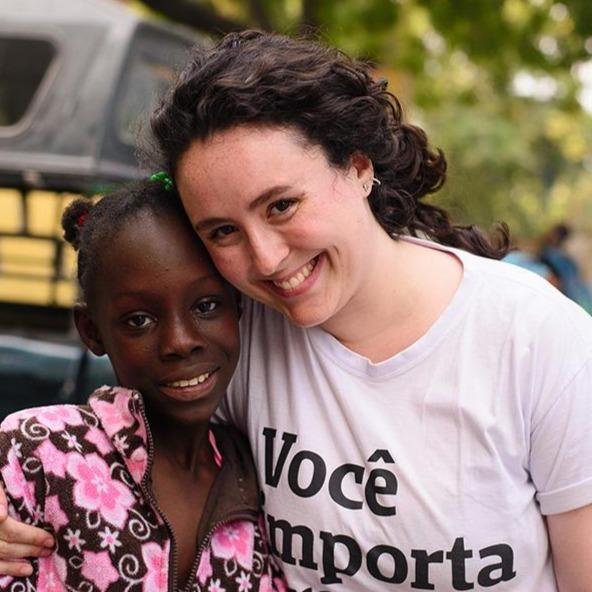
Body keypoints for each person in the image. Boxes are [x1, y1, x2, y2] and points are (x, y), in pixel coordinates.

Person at [2, 30, 592, 591]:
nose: (266, 258)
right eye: (223, 230)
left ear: (359, 168)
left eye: (282, 204)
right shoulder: (233, 337)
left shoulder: (537, 340)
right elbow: (102, 455)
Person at [0, 179, 285, 590]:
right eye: (139, 320)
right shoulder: (42, 452)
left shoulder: (257, 482)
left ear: (237, 306)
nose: (180, 342)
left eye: (206, 306)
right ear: (93, 331)